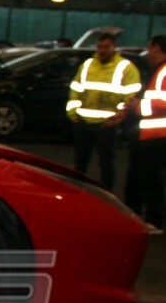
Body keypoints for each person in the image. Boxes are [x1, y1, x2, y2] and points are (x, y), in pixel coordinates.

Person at [66, 33, 142, 190]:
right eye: (99, 47)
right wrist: (73, 114)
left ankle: (106, 196)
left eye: (106, 47)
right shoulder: (87, 65)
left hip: (106, 125)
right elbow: (75, 89)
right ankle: (79, 192)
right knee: (80, 162)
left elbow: (131, 97)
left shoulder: (125, 68)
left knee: (106, 164)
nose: (102, 50)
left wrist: (117, 118)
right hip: (83, 122)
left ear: (114, 47)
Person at [123, 34, 166, 233]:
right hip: (148, 135)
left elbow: (162, 102)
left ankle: (155, 220)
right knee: (141, 178)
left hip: (156, 135)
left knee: (152, 180)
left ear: (157, 48)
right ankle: (140, 216)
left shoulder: (163, 71)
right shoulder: (157, 71)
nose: (147, 52)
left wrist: (140, 107)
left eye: (149, 47)